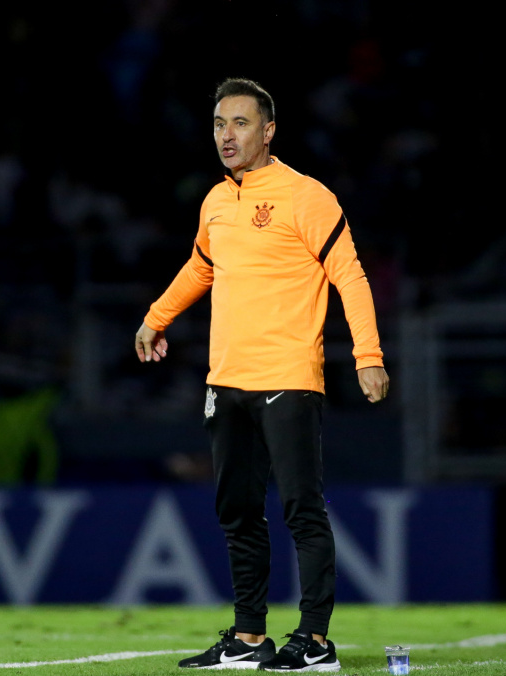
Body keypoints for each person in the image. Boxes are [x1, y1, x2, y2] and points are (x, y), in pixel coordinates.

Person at [134, 78, 389, 673]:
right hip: (226, 380)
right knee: (238, 512)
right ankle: (249, 638)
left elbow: (350, 276)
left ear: (269, 130)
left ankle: (317, 641)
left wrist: (368, 356)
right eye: (220, 124)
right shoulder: (216, 201)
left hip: (288, 376)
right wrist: (156, 317)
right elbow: (202, 267)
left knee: (302, 509)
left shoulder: (306, 196)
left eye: (241, 123)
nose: (227, 135)